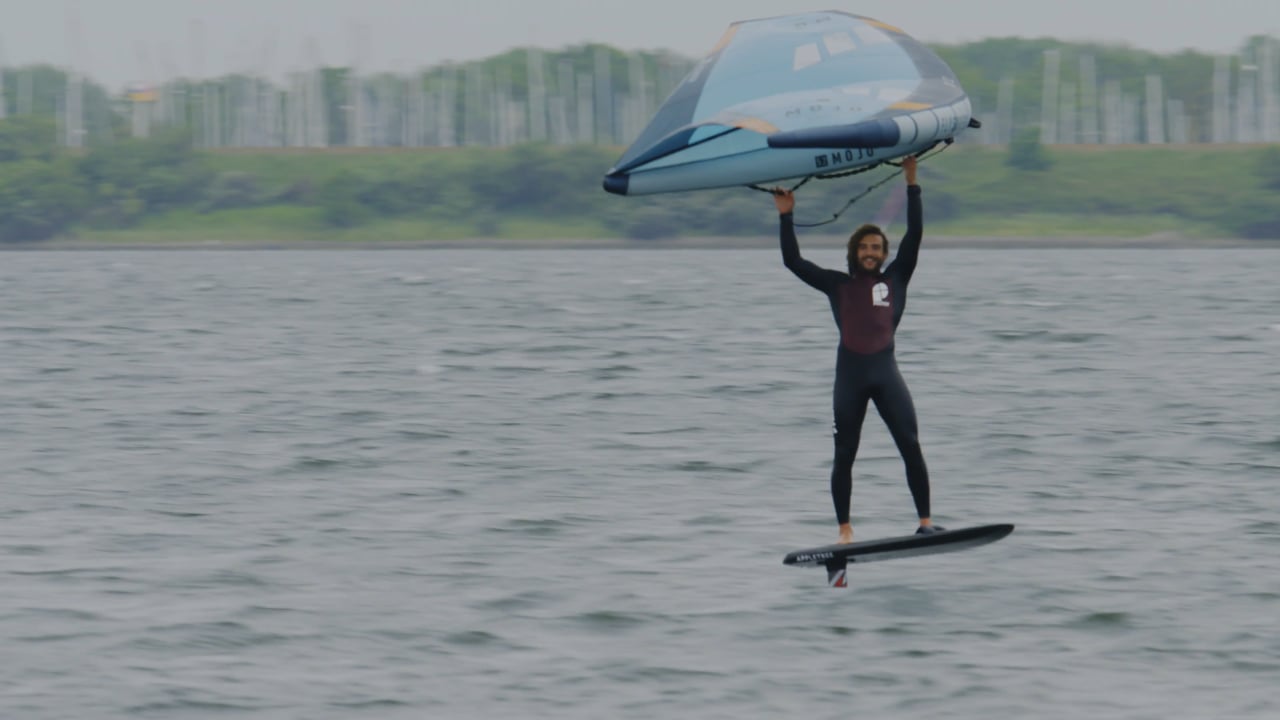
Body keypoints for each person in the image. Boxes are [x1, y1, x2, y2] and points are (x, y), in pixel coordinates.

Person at [772, 156, 942, 544]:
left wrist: (912, 182)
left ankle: (926, 522)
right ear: (854, 252)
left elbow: (914, 234)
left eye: (876, 247)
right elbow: (793, 261)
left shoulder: (897, 278)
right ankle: (845, 531)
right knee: (845, 453)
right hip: (849, 380)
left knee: (911, 444)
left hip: (886, 375)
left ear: (883, 253)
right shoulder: (837, 285)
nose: (870, 252)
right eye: (864, 247)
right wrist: (786, 216)